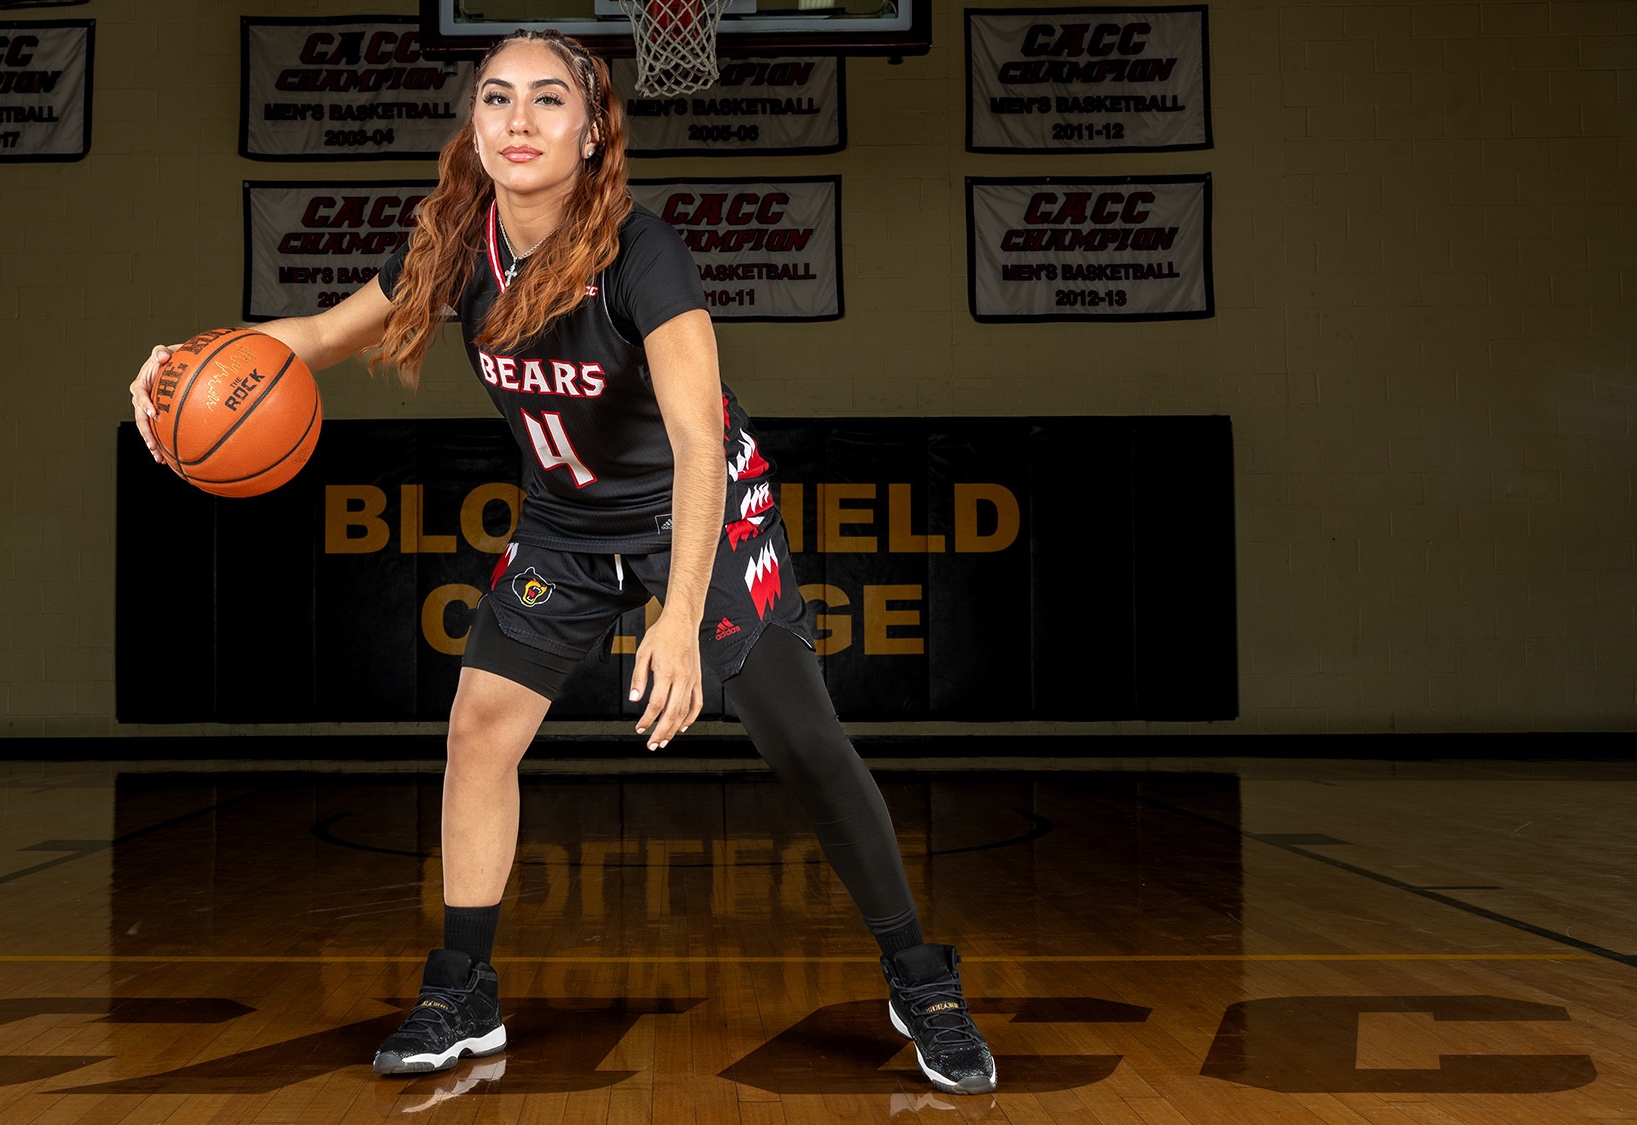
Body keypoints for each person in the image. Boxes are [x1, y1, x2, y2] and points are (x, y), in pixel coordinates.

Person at [127, 29, 996, 1097]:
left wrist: (676, 619)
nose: (519, 120)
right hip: (567, 528)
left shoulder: (641, 250)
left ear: (591, 132)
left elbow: (691, 445)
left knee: (802, 738)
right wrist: (181, 369)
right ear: (473, 125)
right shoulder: (456, 245)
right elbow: (307, 339)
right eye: (496, 99)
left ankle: (920, 976)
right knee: (478, 728)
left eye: (547, 100)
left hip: (704, 510)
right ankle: (463, 984)